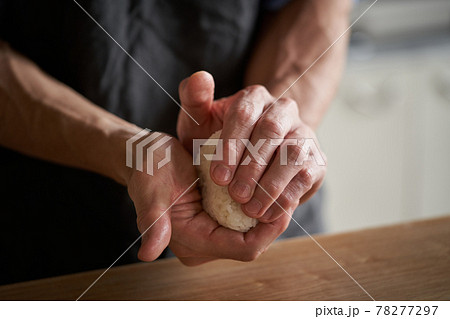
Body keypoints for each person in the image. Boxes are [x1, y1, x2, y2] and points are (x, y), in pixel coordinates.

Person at [0, 0, 351, 285]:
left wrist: (269, 124)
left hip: (274, 245)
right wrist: (125, 147)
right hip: (56, 247)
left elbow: (318, 6)